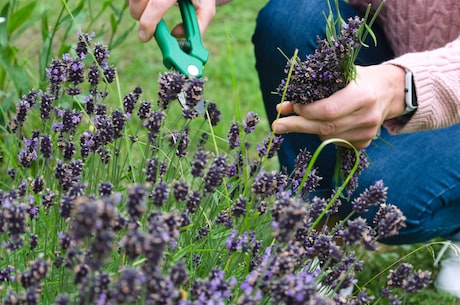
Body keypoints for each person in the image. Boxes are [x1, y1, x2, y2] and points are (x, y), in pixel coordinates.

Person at [126, 0, 460, 296]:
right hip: (399, 64)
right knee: (292, 16)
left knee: (382, 191)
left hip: (429, 83)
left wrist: (403, 86)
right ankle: (319, 237)